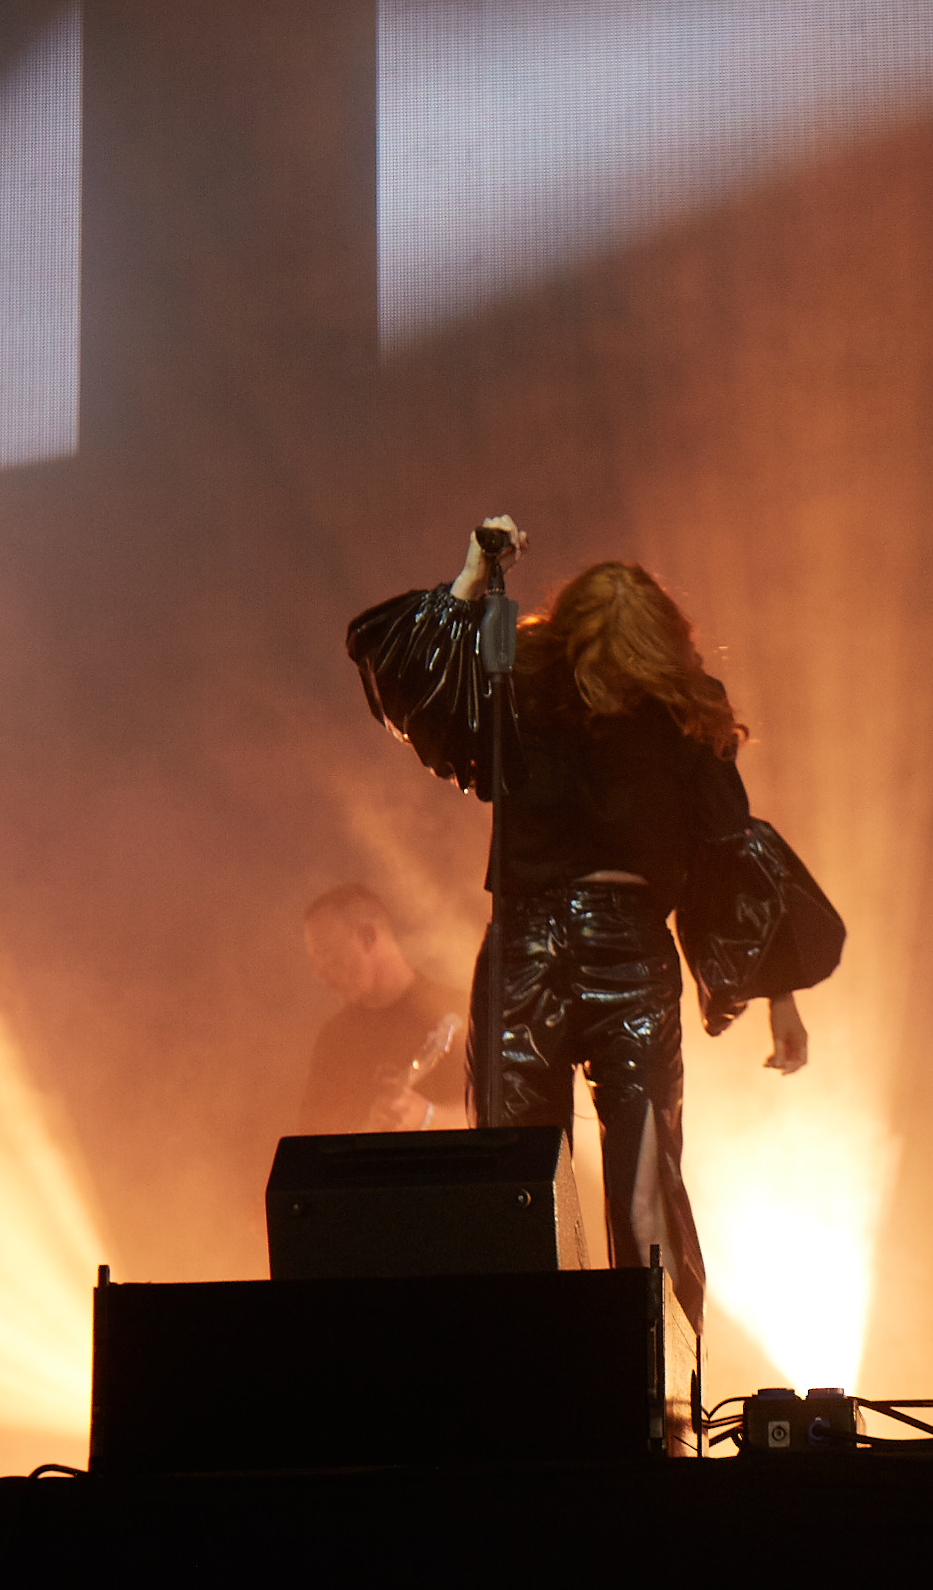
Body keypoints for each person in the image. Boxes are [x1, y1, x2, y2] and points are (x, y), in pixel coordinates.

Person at [345, 516, 843, 1331]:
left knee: (515, 1189)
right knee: (645, 1189)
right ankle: (661, 1406)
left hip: (521, 954)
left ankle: (531, 1403)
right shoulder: (676, 712)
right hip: (625, 948)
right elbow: (730, 857)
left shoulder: (523, 691)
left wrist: (472, 577)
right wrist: (781, 994)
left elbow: (414, 670)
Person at [297, 883, 467, 1135]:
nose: (319, 972)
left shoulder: (460, 1009)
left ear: (368, 936)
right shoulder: (335, 1037)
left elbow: (502, 1117)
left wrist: (429, 1117)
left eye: (327, 954)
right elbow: (311, 1136)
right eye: (315, 960)